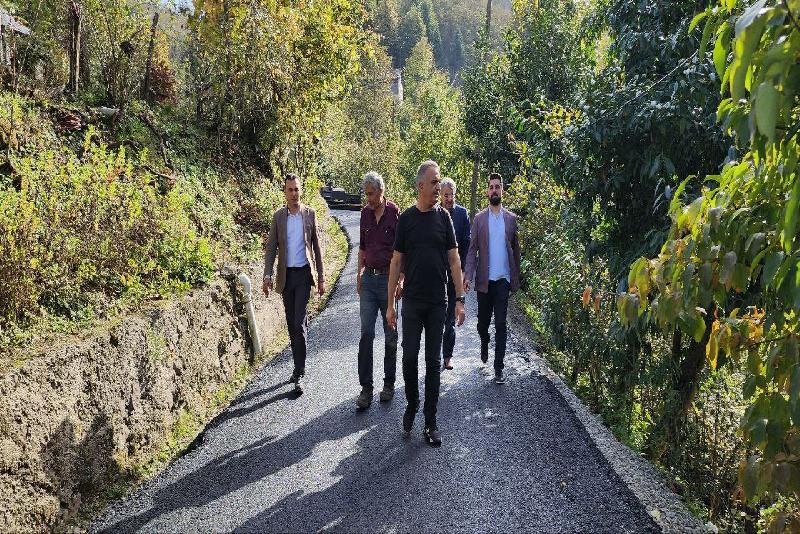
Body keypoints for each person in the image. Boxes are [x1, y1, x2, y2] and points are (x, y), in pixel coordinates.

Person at [387, 160, 466, 447]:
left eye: (439, 182)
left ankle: (431, 421)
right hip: (412, 301)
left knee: (433, 363)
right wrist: (390, 304)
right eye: (434, 182)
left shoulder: (444, 218)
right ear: (421, 186)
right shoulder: (406, 219)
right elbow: (396, 261)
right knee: (409, 358)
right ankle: (412, 403)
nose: (438, 187)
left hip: (437, 302)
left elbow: (454, 260)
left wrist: (460, 299)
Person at [263, 174, 326, 395]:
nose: (293, 194)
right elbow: (271, 247)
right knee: (292, 324)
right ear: (285, 192)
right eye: (290, 190)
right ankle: (297, 365)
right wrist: (267, 275)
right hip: (286, 277)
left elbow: (317, 248)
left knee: (298, 323)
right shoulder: (279, 217)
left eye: (296, 189)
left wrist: (321, 277)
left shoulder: (310, 214)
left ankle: (300, 372)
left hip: (303, 275)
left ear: (301, 190)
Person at [464, 172, 521, 384]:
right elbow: (472, 250)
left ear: (502, 191)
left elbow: (516, 250)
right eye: (491, 187)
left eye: (498, 187)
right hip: (484, 282)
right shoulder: (479, 220)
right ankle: (484, 340)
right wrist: (468, 275)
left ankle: (498, 368)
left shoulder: (511, 219)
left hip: (503, 281)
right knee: (483, 324)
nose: (494, 190)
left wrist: (516, 277)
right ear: (487, 192)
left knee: (501, 324)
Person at [356, 171, 400, 409]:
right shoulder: (364, 214)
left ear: (381, 192)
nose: (369, 198)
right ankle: (366, 388)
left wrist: (401, 278)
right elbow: (362, 248)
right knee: (366, 334)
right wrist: (358, 273)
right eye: (367, 194)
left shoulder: (394, 213)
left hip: (388, 281)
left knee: (390, 334)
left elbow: (402, 250)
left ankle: (389, 384)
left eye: (372, 194)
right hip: (369, 282)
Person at [439, 177, 470, 370]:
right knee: (436, 316)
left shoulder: (462, 214)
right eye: (446, 195)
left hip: (455, 273)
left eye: (452, 195)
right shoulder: (435, 213)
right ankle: (434, 355)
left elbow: (467, 244)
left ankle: (448, 355)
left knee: (451, 316)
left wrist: (464, 271)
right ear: (441, 196)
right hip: (436, 273)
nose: (449, 198)